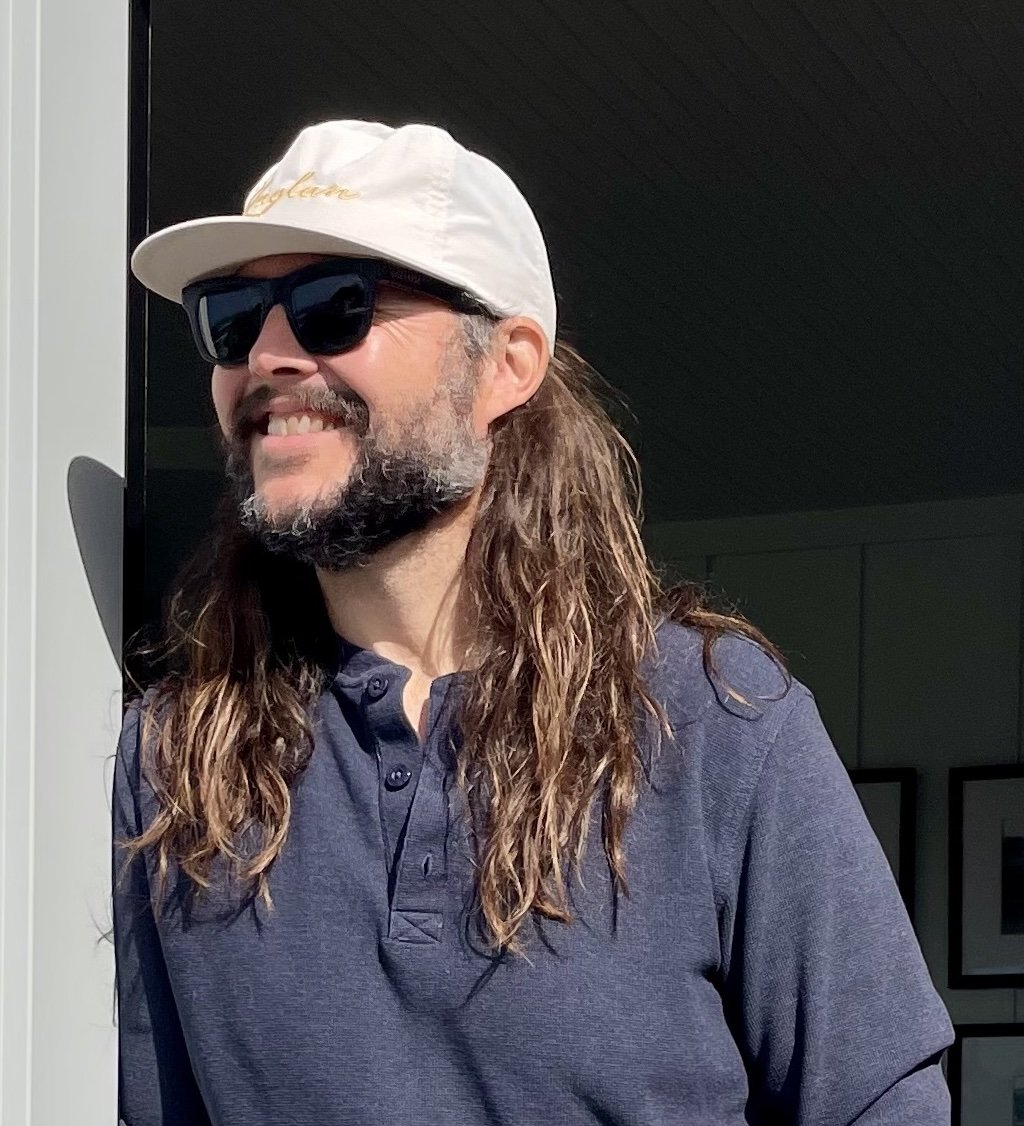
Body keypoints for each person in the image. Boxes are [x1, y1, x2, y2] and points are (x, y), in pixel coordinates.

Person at [113, 119, 954, 1126]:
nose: (268, 355)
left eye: (335, 306)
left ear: (504, 366)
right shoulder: (174, 764)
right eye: (233, 317)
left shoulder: (711, 726)